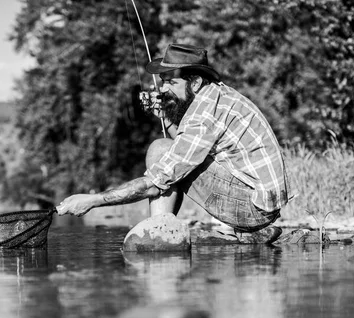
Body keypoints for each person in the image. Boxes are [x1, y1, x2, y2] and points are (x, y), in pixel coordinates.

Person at [57, 43, 291, 242]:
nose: (163, 88)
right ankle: (169, 228)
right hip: (261, 205)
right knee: (166, 152)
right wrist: (165, 117)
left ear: (195, 82)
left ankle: (159, 235)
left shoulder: (203, 114)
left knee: (159, 150)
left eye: (170, 82)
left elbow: (162, 175)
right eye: (162, 81)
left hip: (252, 209)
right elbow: (182, 147)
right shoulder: (215, 96)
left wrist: (93, 200)